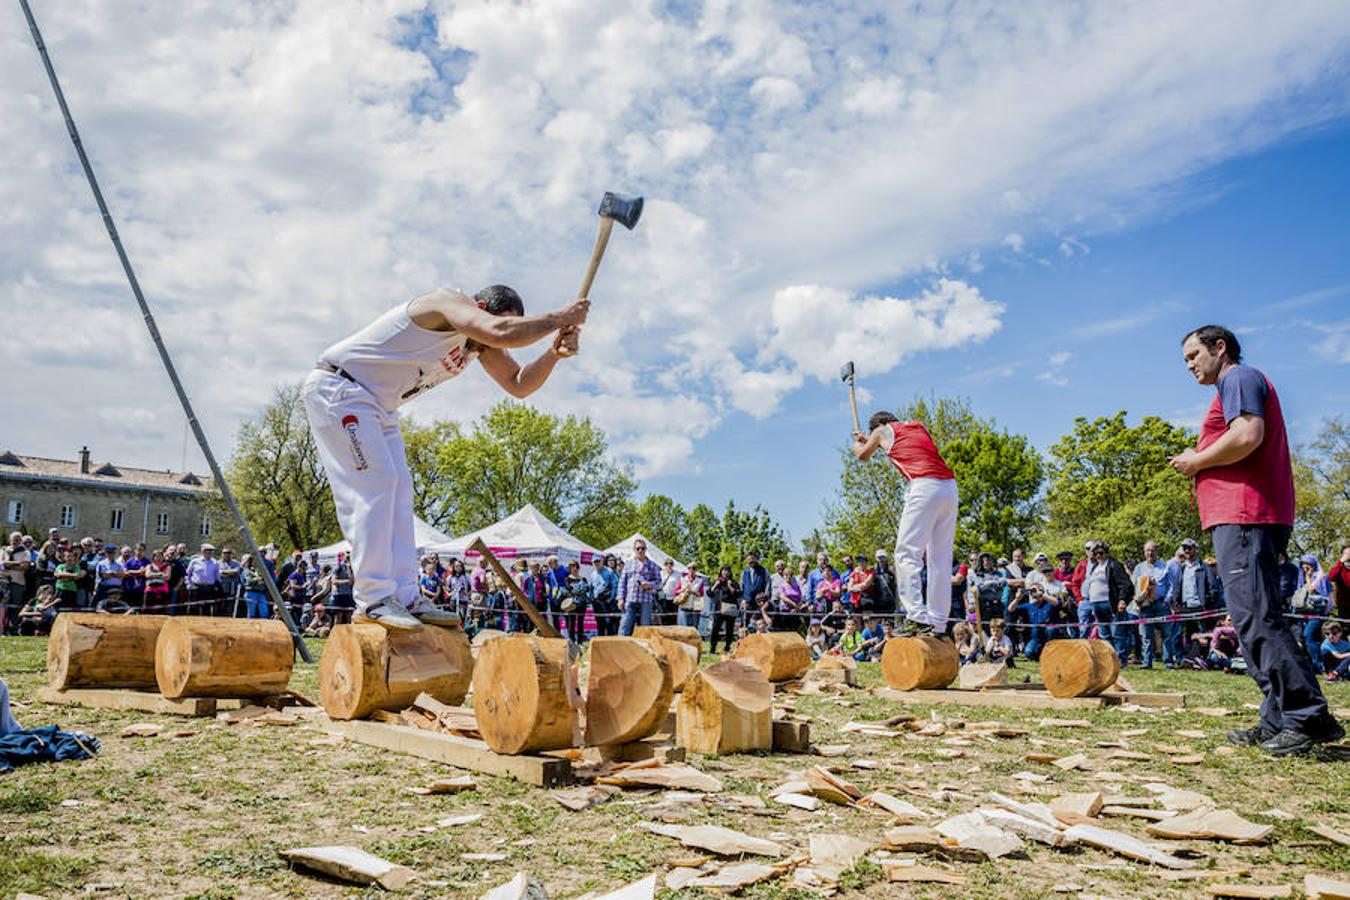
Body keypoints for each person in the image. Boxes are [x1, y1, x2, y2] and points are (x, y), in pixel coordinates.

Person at [302, 286, 589, 631]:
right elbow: (500, 332)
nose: (494, 347)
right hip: (342, 388)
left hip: (382, 405)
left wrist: (553, 354)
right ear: (480, 308)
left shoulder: (480, 343)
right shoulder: (446, 303)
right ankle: (373, 598)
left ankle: (406, 596)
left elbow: (518, 384)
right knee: (375, 483)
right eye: (495, 327)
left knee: (399, 493)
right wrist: (562, 317)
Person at [1168, 324, 1342, 755]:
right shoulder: (1231, 384)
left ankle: (1308, 716)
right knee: (1250, 620)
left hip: (1245, 513)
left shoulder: (1239, 378)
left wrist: (1195, 461)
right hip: (1241, 515)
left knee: (1257, 618)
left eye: (1193, 355)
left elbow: (1247, 435)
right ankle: (1278, 717)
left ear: (1219, 347)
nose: (1189, 364)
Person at [852, 411, 958, 637]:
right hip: (949, 487)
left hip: (923, 485)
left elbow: (862, 455)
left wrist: (859, 443)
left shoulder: (880, 431)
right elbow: (898, 445)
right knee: (940, 558)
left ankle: (917, 617)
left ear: (878, 425)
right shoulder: (918, 426)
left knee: (906, 553)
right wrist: (873, 441)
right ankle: (938, 623)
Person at [1132, 541, 1172, 669]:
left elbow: (1171, 585)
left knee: (1166, 635)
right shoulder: (1139, 568)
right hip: (1145, 605)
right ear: (1144, 552)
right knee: (1146, 635)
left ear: (1157, 551)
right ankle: (1147, 662)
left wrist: (1167, 600)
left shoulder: (1164, 566)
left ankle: (1168, 662)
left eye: (1152, 550)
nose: (1150, 553)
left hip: (1161, 604)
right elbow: (1134, 585)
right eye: (1147, 550)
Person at [1289, 555, 1331, 671]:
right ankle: (1306, 665)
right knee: (1300, 638)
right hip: (1302, 612)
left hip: (1317, 613)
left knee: (1309, 636)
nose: (1305, 566)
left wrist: (1308, 577)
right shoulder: (1300, 577)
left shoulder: (1320, 576)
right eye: (1303, 564)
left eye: (1308, 564)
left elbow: (1312, 589)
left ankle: (1318, 666)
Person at [618, 540, 661, 636]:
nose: (640, 550)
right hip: (630, 599)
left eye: (643, 548)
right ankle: (622, 647)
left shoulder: (653, 565)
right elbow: (622, 582)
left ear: (646, 550)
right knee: (625, 626)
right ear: (634, 550)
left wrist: (649, 584)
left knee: (645, 627)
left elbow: (659, 583)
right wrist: (620, 599)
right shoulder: (628, 564)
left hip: (646, 600)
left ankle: (645, 649)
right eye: (638, 548)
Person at [707, 565, 742, 653]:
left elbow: (738, 594)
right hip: (718, 609)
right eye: (724, 570)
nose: (725, 572)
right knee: (715, 629)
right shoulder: (717, 582)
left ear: (730, 573)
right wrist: (715, 585)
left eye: (727, 571)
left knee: (729, 630)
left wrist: (730, 586)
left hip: (730, 609)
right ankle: (712, 648)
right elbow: (709, 594)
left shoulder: (733, 582)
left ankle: (727, 647)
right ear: (721, 572)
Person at [239, 554, 271, 619]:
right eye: (251, 560)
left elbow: (265, 579)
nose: (254, 562)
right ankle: (249, 627)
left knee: (264, 612)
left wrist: (260, 579)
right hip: (251, 592)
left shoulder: (259, 571)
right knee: (251, 613)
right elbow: (249, 581)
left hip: (261, 593)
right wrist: (258, 579)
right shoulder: (246, 571)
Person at [1327, 543, 1350, 621]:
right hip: (1344, 607)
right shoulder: (1340, 568)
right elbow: (1331, 577)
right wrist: (1341, 562)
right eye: (1346, 554)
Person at [218, 549, 242, 615]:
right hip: (221, 588)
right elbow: (217, 573)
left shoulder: (236, 563)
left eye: (229, 553)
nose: (227, 554)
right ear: (222, 554)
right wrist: (229, 572)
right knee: (219, 606)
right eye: (225, 553)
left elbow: (236, 572)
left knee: (231, 606)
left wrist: (223, 572)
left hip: (232, 588)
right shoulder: (217, 563)